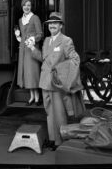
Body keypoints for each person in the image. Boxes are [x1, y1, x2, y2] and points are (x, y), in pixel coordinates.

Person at [26, 12, 86, 150]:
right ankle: (53, 139)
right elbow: (43, 58)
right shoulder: (47, 40)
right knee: (49, 113)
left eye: (55, 23)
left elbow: (75, 60)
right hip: (45, 82)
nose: (52, 25)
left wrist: (60, 71)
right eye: (50, 24)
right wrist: (32, 48)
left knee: (59, 113)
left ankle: (60, 141)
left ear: (60, 26)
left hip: (56, 83)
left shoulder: (66, 41)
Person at [14, 0, 43, 106]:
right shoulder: (20, 20)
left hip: (32, 48)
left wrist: (33, 39)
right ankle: (32, 97)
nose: (26, 7)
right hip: (23, 50)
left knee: (33, 72)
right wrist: (18, 37)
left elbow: (40, 34)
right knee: (27, 73)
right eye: (25, 5)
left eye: (29, 5)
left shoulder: (35, 18)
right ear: (22, 7)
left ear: (31, 7)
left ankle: (37, 97)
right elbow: (23, 36)